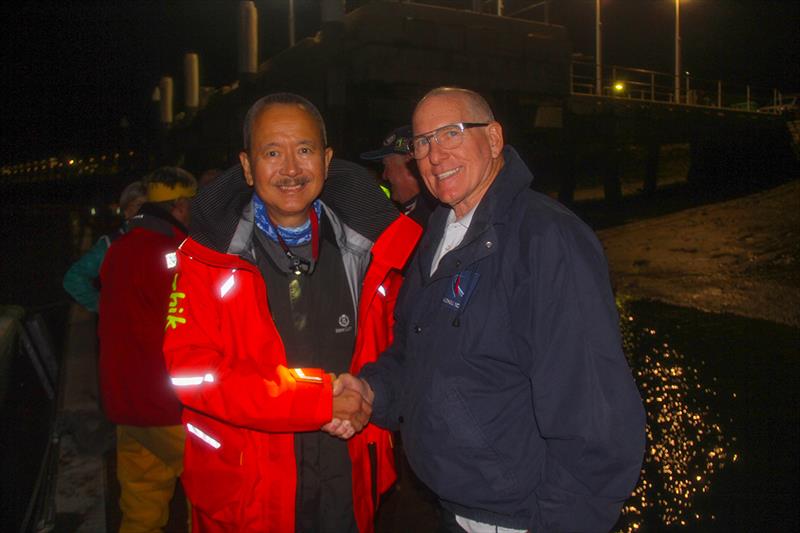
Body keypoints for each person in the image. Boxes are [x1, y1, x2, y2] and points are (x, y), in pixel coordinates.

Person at [338, 87, 646, 532]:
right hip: (455, 506)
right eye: (422, 142)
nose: (434, 154)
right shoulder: (437, 234)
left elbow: (595, 416)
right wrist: (372, 392)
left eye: (451, 133)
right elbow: (415, 354)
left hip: (518, 518)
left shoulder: (547, 239)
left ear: (495, 139)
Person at [162, 92, 421, 532]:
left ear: (326, 159)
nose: (290, 169)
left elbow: (405, 347)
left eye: (304, 150)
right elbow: (189, 372)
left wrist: (370, 395)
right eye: (271, 152)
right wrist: (316, 400)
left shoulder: (373, 252)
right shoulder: (206, 260)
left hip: (349, 476)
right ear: (246, 166)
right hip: (251, 494)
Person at [98, 167, 197, 532]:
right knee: (210, 500)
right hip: (167, 408)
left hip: (125, 406)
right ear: (181, 206)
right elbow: (189, 328)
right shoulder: (176, 254)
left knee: (140, 510)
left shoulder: (119, 249)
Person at [63, 181, 146, 312]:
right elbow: (74, 278)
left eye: (153, 205)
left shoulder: (165, 241)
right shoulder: (110, 245)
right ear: (126, 211)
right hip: (125, 327)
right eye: (140, 205)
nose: (147, 211)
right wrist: (105, 306)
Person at [360, 125, 437, 229]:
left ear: (410, 162)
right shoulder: (416, 215)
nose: (384, 176)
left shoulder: (431, 218)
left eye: (387, 166)